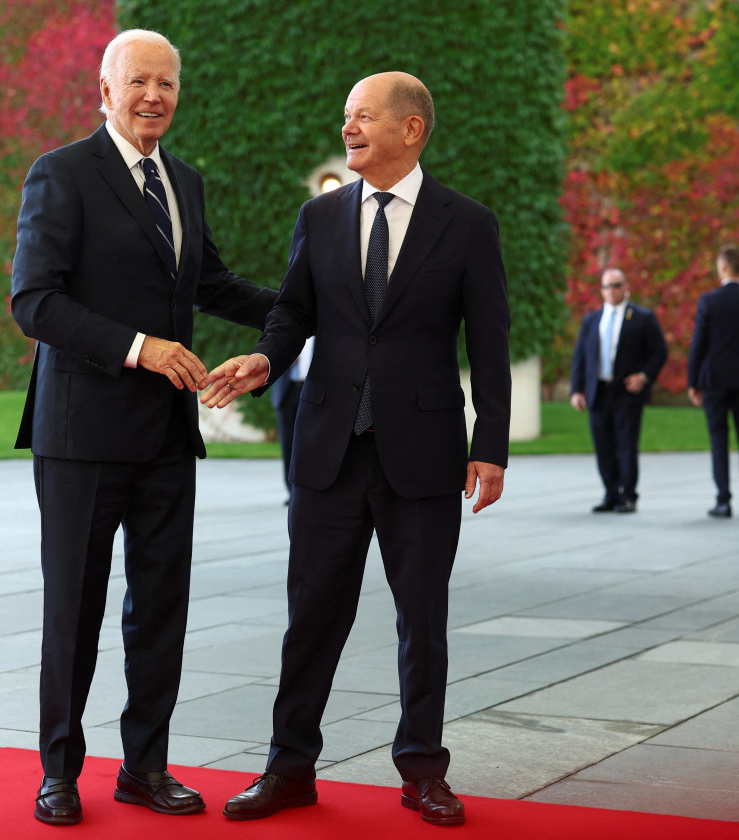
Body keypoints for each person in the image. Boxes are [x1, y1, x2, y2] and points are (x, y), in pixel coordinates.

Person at [200, 71, 510, 828]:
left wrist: (490, 444)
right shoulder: (321, 215)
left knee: (422, 622)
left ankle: (422, 771)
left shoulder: (467, 223)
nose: (349, 128)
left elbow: (491, 342)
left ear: (412, 129)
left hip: (425, 454)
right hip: (329, 452)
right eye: (346, 117)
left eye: (364, 116)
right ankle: (289, 766)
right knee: (310, 615)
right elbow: (292, 314)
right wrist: (263, 360)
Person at [9, 29, 276, 826]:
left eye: (166, 83)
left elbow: (213, 282)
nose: (154, 96)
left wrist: (311, 303)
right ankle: (59, 770)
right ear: (105, 89)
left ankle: (146, 767)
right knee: (76, 608)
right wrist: (140, 348)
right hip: (80, 435)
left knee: (161, 608)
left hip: (165, 438)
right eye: (139, 82)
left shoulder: (183, 181)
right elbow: (35, 302)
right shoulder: (61, 173)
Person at [569, 269, 669, 513]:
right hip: (598, 391)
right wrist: (577, 389)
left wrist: (644, 376)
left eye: (616, 285)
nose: (611, 290)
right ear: (601, 289)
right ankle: (611, 494)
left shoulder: (642, 317)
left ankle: (628, 495)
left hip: (626, 391)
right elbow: (581, 357)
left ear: (626, 287)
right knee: (603, 445)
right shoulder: (591, 320)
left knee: (626, 445)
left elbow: (660, 352)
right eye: (606, 286)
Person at [686, 246, 739, 518]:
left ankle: (723, 500)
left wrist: (693, 381)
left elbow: (699, 344)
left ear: (723, 267)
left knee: (719, 440)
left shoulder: (709, 301)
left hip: (716, 380)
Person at [270, 336, 313, 502]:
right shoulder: (286, 324)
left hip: (314, 391)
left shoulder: (326, 329)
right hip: (287, 392)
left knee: (314, 442)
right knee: (288, 444)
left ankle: (313, 490)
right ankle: (293, 492)